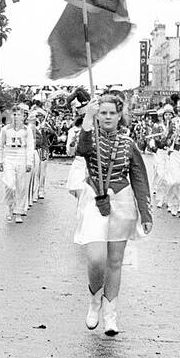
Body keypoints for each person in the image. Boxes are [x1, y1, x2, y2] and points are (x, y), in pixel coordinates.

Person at [74, 93, 152, 336]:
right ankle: (94, 300)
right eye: (103, 113)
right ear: (97, 116)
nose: (107, 117)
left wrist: (146, 213)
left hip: (122, 202)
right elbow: (81, 149)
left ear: (120, 116)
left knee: (115, 262)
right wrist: (87, 117)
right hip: (95, 199)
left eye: (112, 113)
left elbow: (139, 178)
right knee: (96, 258)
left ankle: (110, 315)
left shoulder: (128, 144)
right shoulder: (90, 138)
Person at [0, 104, 36, 224]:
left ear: (23, 116)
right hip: (9, 155)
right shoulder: (5, 130)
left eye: (19, 115)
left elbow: (30, 146)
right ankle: (10, 207)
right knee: (9, 184)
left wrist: (29, 162)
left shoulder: (26, 129)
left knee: (21, 185)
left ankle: (18, 211)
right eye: (14, 114)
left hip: (21, 155)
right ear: (11, 116)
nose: (16, 117)